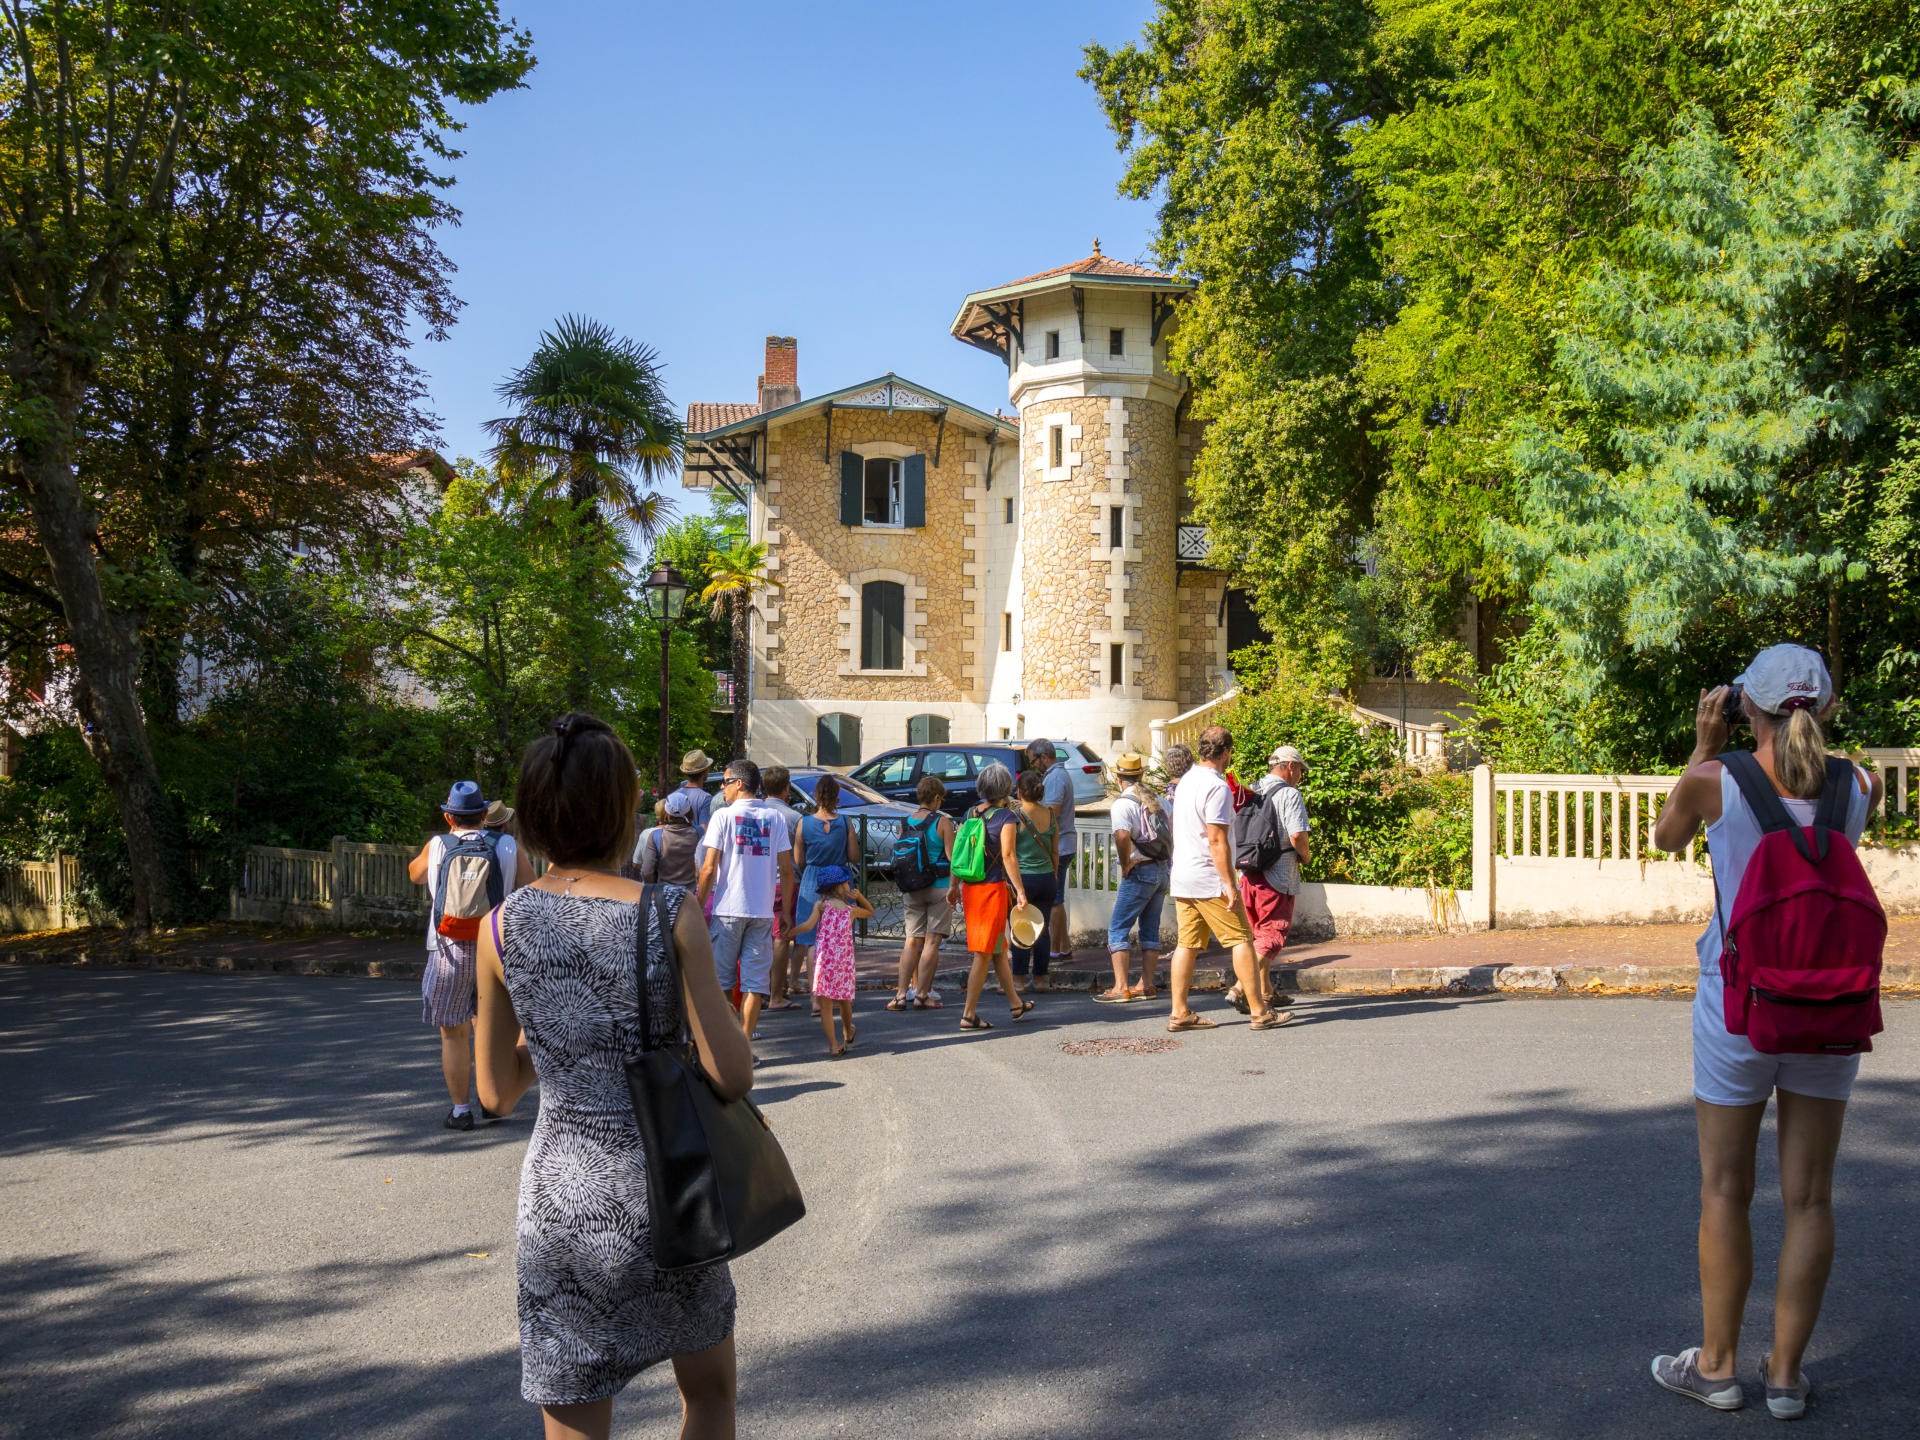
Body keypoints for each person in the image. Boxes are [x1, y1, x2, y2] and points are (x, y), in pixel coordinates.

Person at [474, 712, 752, 1440]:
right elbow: (732, 1074)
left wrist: (559, 1045)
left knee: (574, 1414)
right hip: (669, 1191)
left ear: (533, 813)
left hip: (562, 1199)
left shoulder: (499, 928)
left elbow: (495, 1092)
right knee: (710, 1396)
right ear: (623, 811)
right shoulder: (669, 912)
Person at [1647, 646, 1881, 1420]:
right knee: (1809, 1198)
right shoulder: (1861, 785)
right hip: (1832, 1004)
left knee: (1725, 1189)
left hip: (1738, 1004)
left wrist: (1702, 744)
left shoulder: (1714, 781)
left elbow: (1666, 839)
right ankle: (1785, 1376)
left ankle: (1716, 1368)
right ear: (1828, 706)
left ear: (1746, 704)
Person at [408, 780, 535, 1130]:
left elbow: (414, 874)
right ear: (484, 815)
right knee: (491, 1030)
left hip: (447, 951)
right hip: (495, 950)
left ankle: (460, 1111)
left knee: (454, 1034)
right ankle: (492, 1101)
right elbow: (530, 888)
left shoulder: (438, 845)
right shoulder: (507, 845)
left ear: (449, 817)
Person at [1166, 725, 1287, 1033]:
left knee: (1186, 944)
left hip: (1184, 875)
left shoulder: (1187, 781)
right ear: (1226, 753)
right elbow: (1217, 839)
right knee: (1241, 939)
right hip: (1209, 878)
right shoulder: (1216, 786)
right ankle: (1259, 1011)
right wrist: (1229, 884)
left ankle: (1179, 1012)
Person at [696, 758, 795, 1050]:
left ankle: (730, 1043)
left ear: (739, 784)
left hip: (727, 910)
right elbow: (786, 870)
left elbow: (708, 868)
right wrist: (785, 912)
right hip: (761, 912)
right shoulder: (774, 818)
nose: (722, 788)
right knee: (754, 984)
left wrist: (697, 906)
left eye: (725, 782)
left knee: (722, 982)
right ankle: (745, 1044)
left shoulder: (722, 817)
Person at [1227, 745, 1312, 1013]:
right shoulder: (1290, 794)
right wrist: (1306, 856)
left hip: (1248, 872)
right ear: (1290, 767)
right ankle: (1239, 988)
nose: (1300, 776)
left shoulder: (1251, 789)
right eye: (1300, 770)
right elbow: (1297, 835)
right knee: (1272, 934)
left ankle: (1266, 992)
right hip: (1278, 874)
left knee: (1257, 934)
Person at [958, 761, 1033, 1031]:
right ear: (1005, 788)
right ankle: (968, 1014)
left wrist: (953, 886)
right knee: (983, 953)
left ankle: (1015, 1003)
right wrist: (1020, 890)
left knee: (999, 948)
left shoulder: (970, 813)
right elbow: (1009, 855)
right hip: (992, 889)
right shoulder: (1006, 817)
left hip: (970, 887)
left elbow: (960, 852)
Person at [1099, 753, 1171, 1003]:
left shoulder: (1123, 804)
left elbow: (1122, 836)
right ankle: (1146, 984)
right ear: (1140, 775)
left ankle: (1121, 987)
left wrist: (1126, 863)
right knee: (1150, 930)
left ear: (1119, 779)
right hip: (1161, 870)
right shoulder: (1159, 800)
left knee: (1118, 929)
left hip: (1140, 871)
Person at [791, 774, 859, 1013]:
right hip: (839, 880)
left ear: (816, 796)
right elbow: (853, 856)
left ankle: (816, 999)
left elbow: (799, 860)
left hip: (813, 879)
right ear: (837, 797)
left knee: (812, 941)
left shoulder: (804, 823)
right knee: (839, 940)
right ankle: (839, 996)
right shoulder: (846, 822)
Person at [790, 864, 873, 1056]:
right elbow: (870, 911)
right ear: (841, 886)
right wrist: (860, 897)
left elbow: (807, 925)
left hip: (824, 962)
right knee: (844, 1000)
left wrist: (791, 932)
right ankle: (848, 1029)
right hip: (843, 963)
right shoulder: (851, 910)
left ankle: (834, 1045)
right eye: (847, 882)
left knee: (826, 1005)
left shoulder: (821, 906)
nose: (849, 885)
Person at [889, 774, 955, 1011]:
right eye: (941, 799)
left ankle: (900, 995)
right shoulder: (942, 822)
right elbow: (953, 859)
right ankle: (922, 994)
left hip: (912, 888)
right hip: (939, 886)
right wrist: (954, 887)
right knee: (932, 941)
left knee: (911, 941)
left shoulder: (905, 822)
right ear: (936, 798)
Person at [1027, 738, 1079, 969]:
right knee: (1057, 898)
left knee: (1055, 900)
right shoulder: (1056, 775)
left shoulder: (1056, 777)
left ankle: (1056, 949)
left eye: (1034, 761)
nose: (1033, 766)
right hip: (1063, 844)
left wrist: (1029, 810)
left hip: (1060, 845)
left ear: (1044, 757)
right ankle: (1063, 947)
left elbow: (1052, 814)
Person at [760, 766, 807, 1011]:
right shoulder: (793, 817)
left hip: (758, 882)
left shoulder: (756, 812)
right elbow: (798, 857)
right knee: (781, 937)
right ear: (787, 788)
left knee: (760, 937)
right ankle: (776, 994)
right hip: (785, 882)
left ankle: (760, 988)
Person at [1007, 768, 1059, 989]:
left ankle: (1019, 980)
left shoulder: (1015, 816)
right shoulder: (1050, 814)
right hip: (1046, 877)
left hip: (1023, 878)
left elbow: (1009, 852)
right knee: (1042, 928)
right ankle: (1040, 978)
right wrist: (1054, 873)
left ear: (1019, 792)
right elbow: (1055, 851)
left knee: (1021, 929)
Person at [632, 789, 701, 886]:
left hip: (663, 892)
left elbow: (647, 872)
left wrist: (654, 889)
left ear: (666, 812)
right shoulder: (700, 833)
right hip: (692, 892)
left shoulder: (656, 836)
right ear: (690, 811)